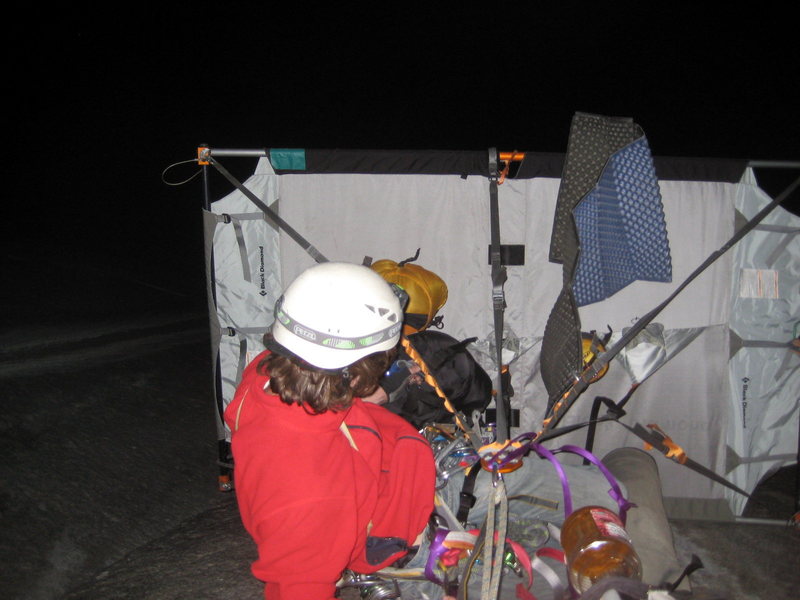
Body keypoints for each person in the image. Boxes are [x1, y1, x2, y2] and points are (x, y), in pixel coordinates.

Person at [225, 262, 436, 600]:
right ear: (351, 373)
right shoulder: (311, 494)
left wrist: (360, 396)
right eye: (380, 361)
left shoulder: (264, 373)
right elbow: (298, 584)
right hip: (394, 532)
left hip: (374, 467)